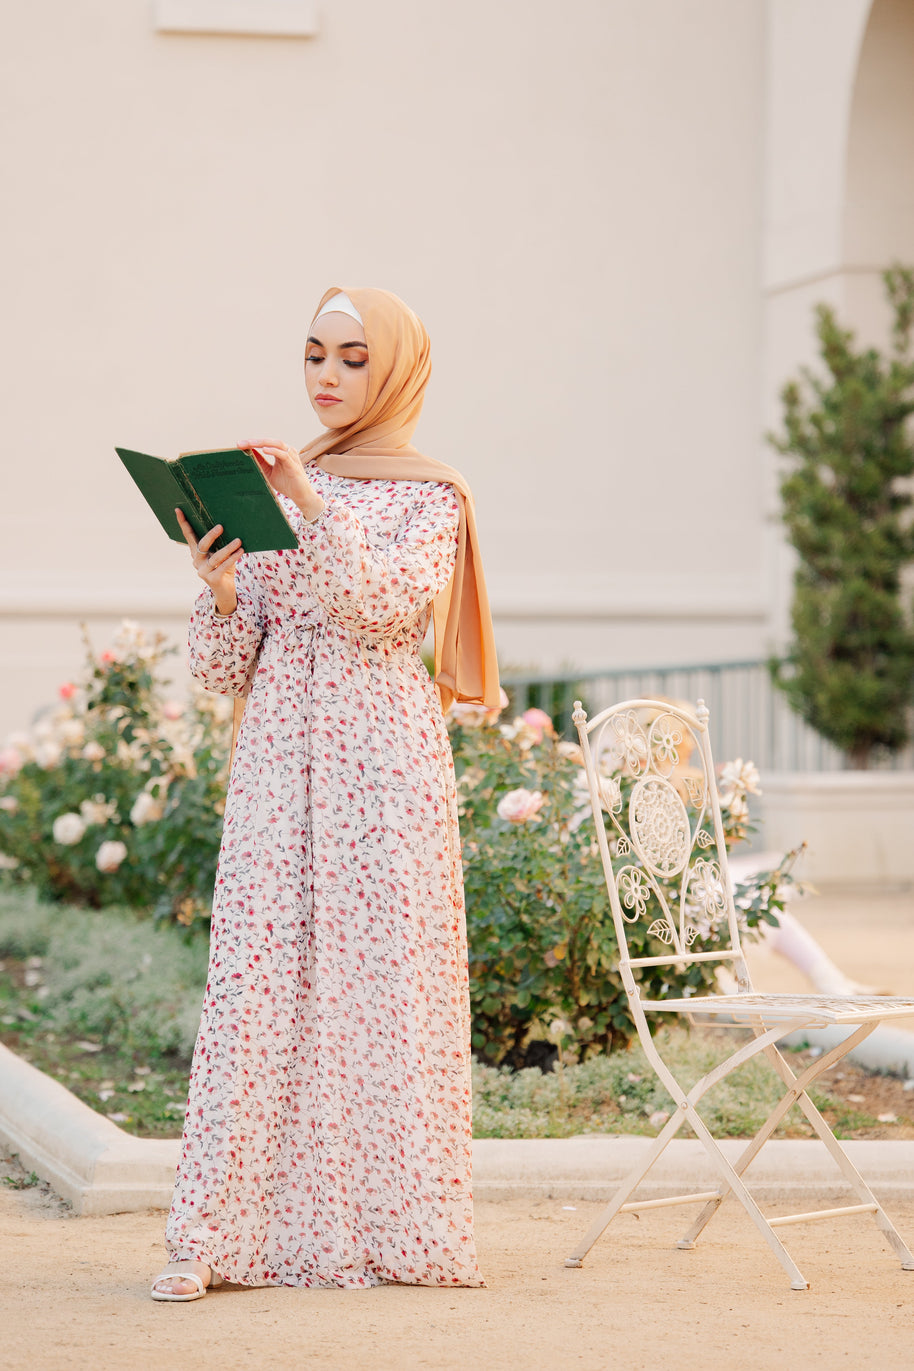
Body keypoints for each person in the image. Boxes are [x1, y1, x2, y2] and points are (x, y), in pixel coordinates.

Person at [151, 287, 499, 1300]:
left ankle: (392, 1232)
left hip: (379, 769)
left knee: (378, 990)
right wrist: (217, 587)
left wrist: (314, 505)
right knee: (259, 990)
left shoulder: (428, 497)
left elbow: (387, 615)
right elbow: (227, 668)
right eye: (312, 355)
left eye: (350, 358)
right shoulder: (279, 487)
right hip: (276, 765)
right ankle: (217, 1236)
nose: (326, 377)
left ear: (389, 371)